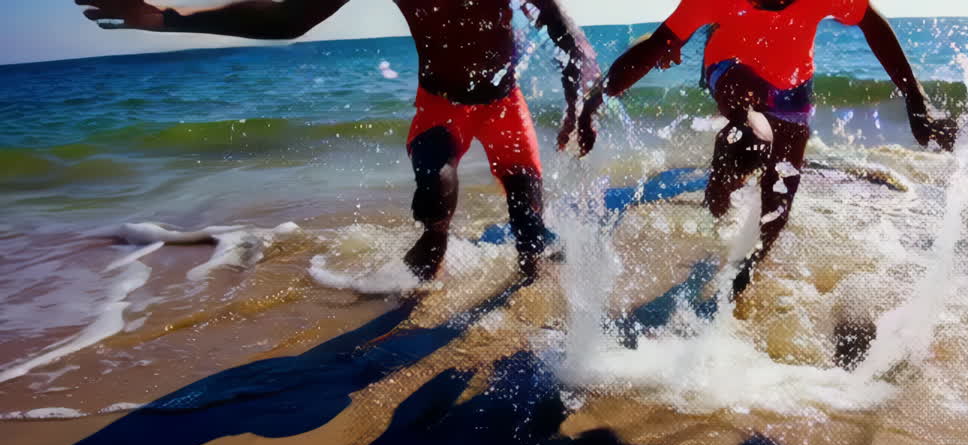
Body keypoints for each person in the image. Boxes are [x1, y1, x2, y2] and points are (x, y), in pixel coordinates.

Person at [75, 0, 598, 283]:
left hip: (505, 105)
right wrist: (167, 18)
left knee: (531, 236)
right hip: (440, 105)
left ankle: (532, 315)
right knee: (435, 202)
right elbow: (287, 18)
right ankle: (410, 299)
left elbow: (566, 32)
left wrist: (581, 101)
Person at [578, 0, 956, 299]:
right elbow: (658, 44)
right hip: (730, 70)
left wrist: (914, 97)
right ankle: (722, 185)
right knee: (748, 142)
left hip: (793, 87)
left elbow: (870, 21)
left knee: (779, 200)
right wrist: (594, 102)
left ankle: (748, 269)